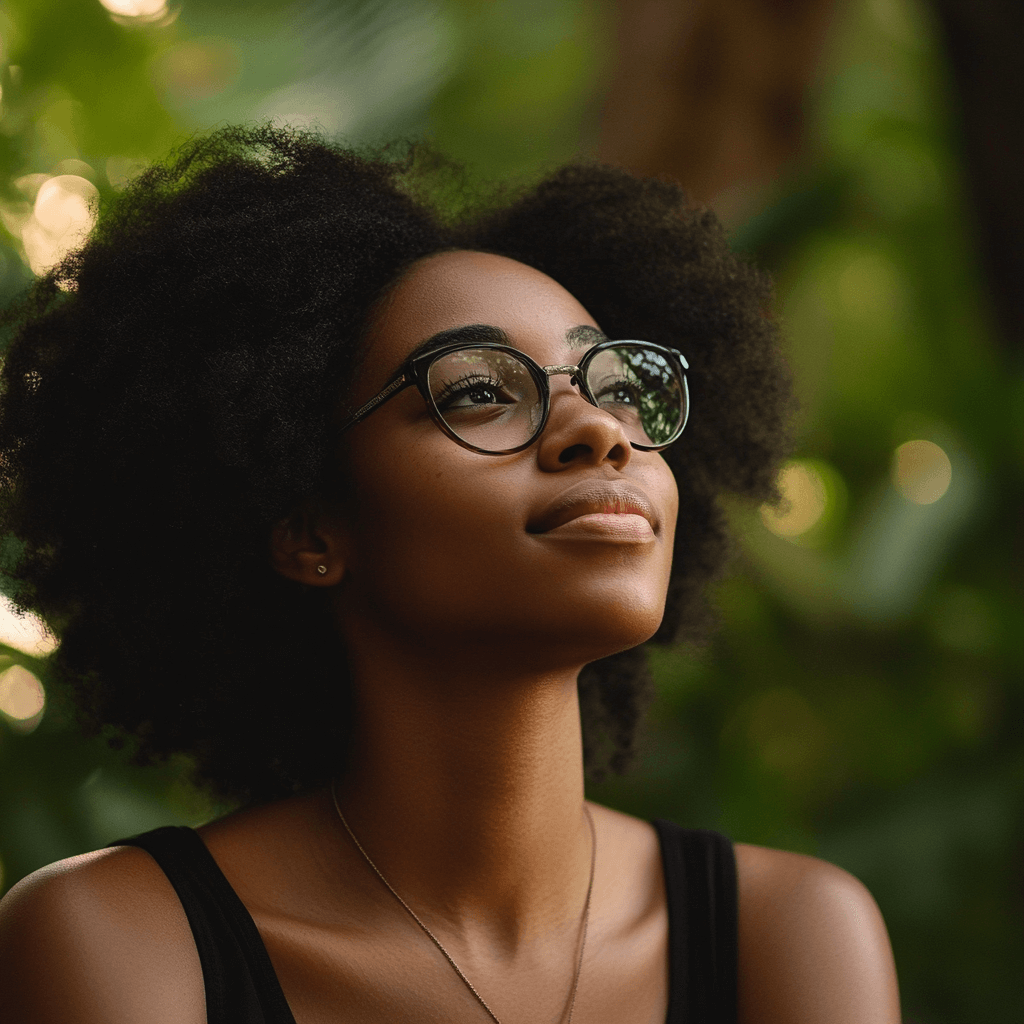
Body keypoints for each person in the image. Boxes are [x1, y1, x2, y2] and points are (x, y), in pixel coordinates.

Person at [0, 125, 900, 1023]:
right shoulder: (118, 942)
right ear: (310, 525)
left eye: (617, 384)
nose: (602, 429)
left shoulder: (791, 936)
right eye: (478, 391)